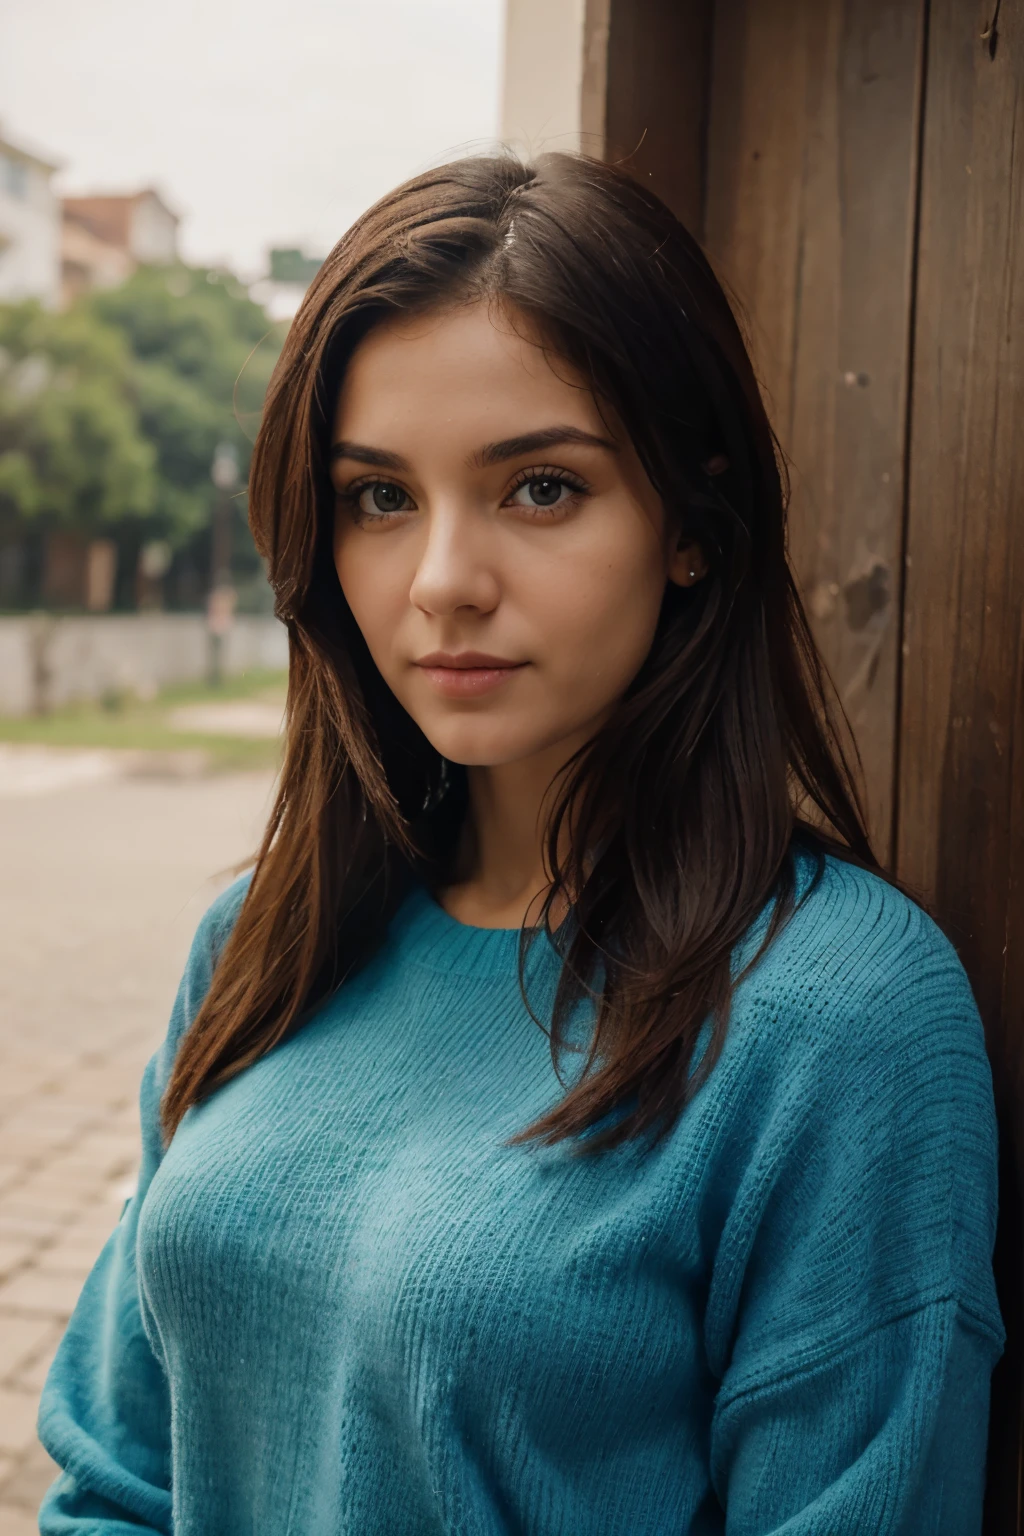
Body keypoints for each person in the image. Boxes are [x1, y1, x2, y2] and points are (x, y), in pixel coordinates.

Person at [38, 153, 1002, 1535]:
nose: (442, 582)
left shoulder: (837, 1016)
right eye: (379, 497)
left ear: (691, 522)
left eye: (540, 488)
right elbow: (120, 1479)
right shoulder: (265, 936)